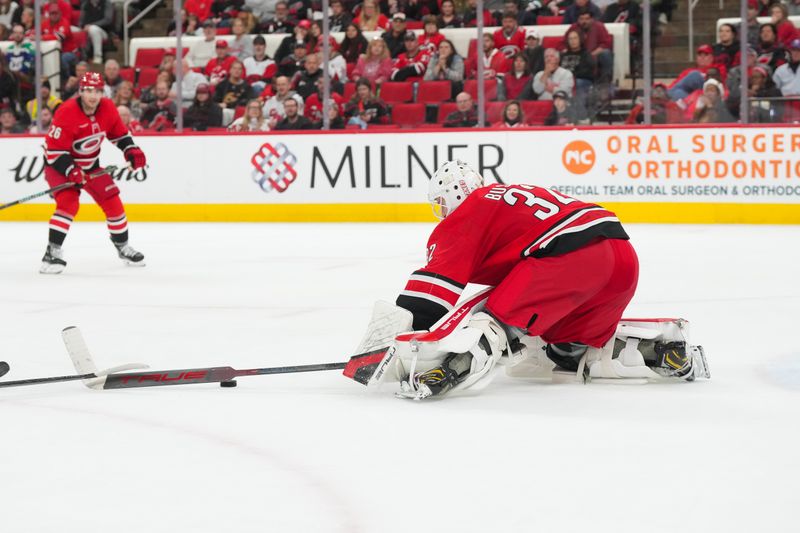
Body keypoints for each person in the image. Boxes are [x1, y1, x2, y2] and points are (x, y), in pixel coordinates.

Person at [346, 160, 703, 400]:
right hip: (621, 259)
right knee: (563, 350)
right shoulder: (510, 196)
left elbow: (431, 293)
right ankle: (657, 353)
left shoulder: (473, 208)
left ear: (452, 195)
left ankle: (451, 367)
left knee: (493, 320)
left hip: (572, 259)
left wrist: (395, 344)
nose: (441, 215)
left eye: (441, 205)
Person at [40, 72, 147, 274]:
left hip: (90, 167)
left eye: (97, 91)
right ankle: (52, 252)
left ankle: (123, 247)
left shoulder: (107, 107)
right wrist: (71, 171)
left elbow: (119, 134)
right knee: (68, 203)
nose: (93, 95)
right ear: (80, 91)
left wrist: (131, 150)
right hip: (60, 167)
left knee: (113, 201)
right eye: (88, 90)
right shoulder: (66, 112)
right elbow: (54, 151)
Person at [568, 7, 613, 84]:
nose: (584, 21)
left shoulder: (599, 26)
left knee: (606, 54)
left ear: (592, 19)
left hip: (594, 54)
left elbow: (606, 44)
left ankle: (605, 84)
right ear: (578, 20)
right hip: (578, 56)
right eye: (581, 19)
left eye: (587, 19)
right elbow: (563, 43)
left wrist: (591, 54)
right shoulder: (574, 27)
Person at [80, 0, 113, 64]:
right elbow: (81, 20)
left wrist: (92, 25)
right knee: (72, 29)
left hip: (103, 32)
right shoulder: (85, 4)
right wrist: (82, 27)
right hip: (87, 29)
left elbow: (108, 20)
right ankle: (81, 57)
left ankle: (98, 57)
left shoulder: (106, 3)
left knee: (93, 29)